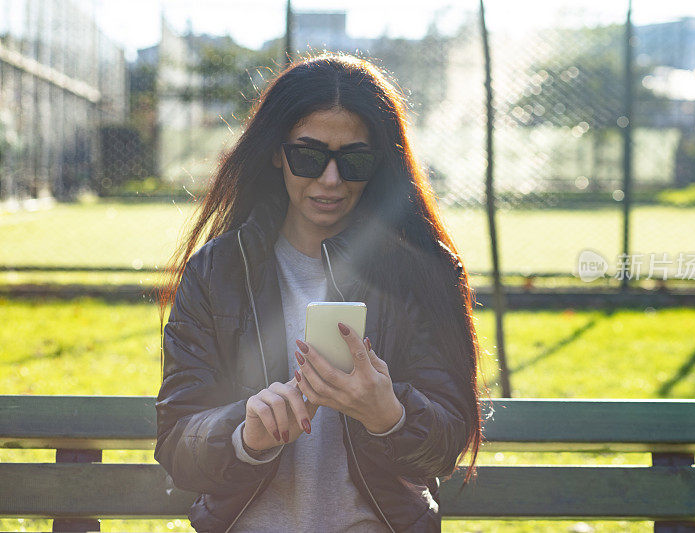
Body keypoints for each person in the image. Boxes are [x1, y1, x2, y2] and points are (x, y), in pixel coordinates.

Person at [154, 52, 482, 533]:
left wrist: (389, 413)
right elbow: (178, 444)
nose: (331, 179)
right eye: (308, 155)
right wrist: (246, 435)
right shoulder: (216, 271)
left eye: (354, 160)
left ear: (379, 162)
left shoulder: (423, 272)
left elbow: (447, 442)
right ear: (275, 152)